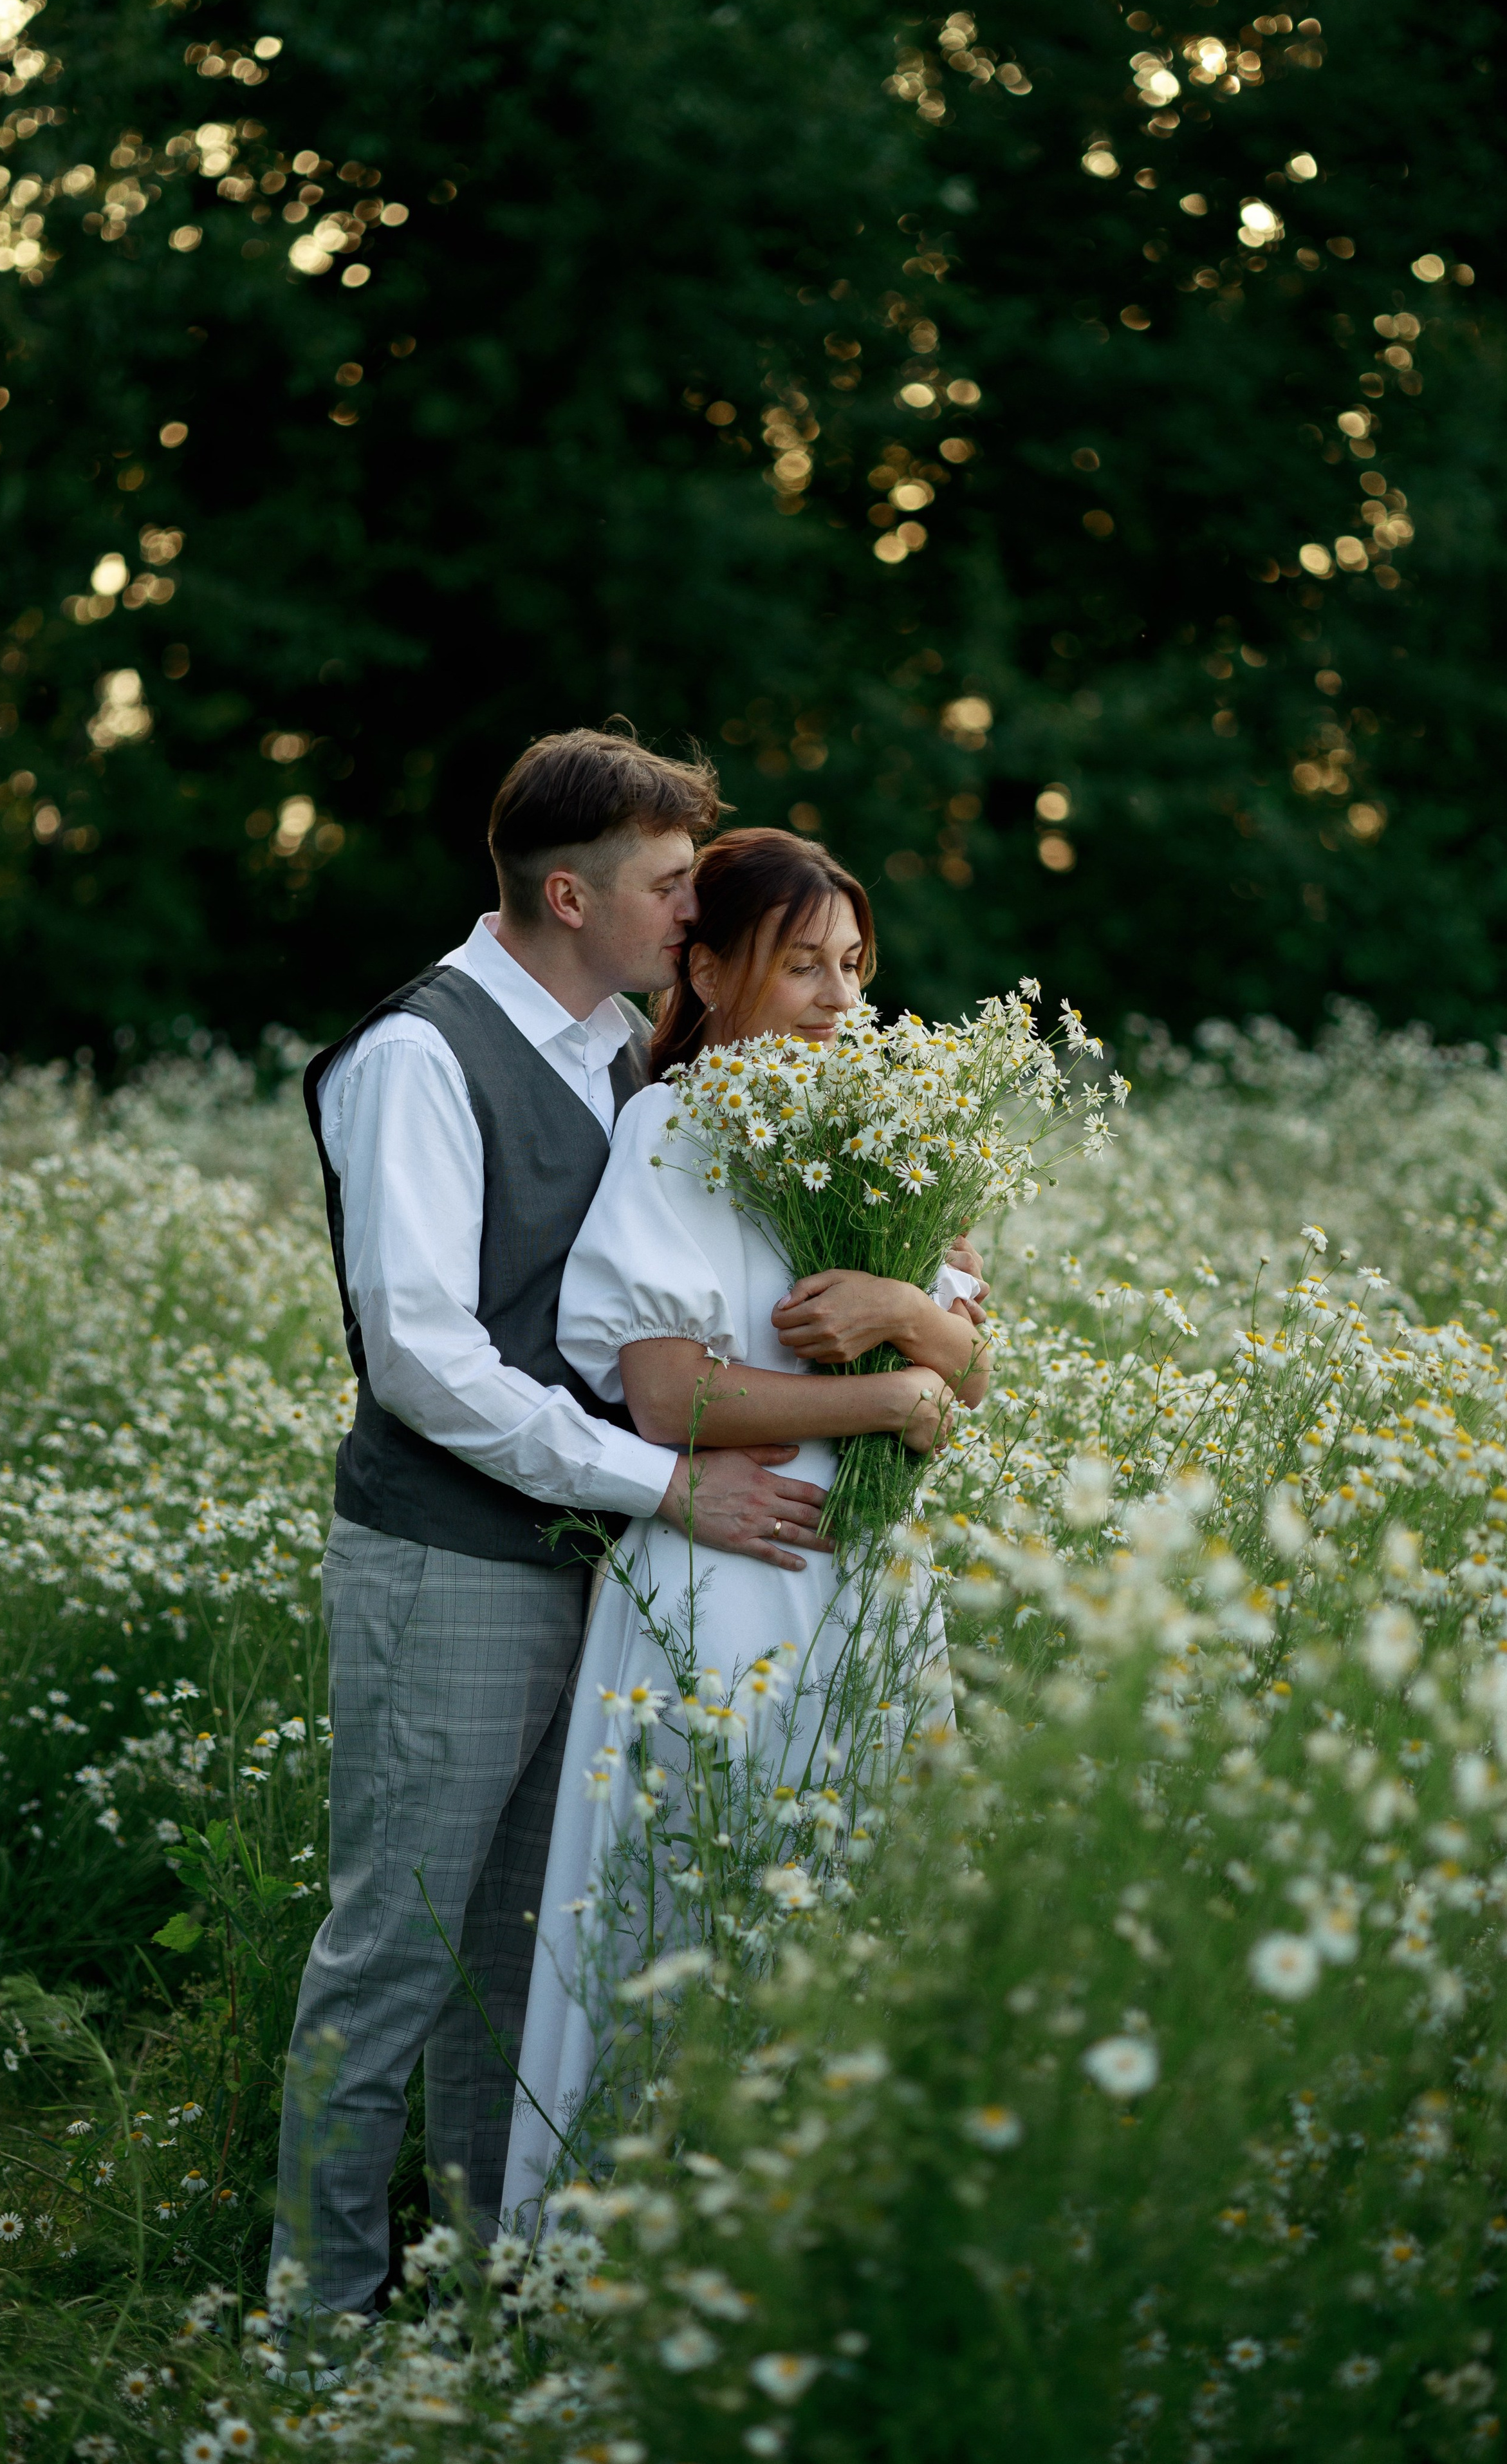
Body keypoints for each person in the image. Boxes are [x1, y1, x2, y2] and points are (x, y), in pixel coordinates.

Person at [271, 736, 836, 2319]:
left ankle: (479, 2279)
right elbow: (423, 1356)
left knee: (515, 1956)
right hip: (446, 1553)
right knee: (396, 1942)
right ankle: (312, 2311)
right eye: (669, 882)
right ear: (570, 889)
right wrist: (660, 1482)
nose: (691, 906)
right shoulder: (419, 1056)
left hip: (579, 1557)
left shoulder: (608, 1052)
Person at [501, 828, 988, 2221]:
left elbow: (970, 1365)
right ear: (707, 973)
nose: (840, 998)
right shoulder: (674, 1127)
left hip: (867, 1579)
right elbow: (667, 1396)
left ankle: (835, 2227)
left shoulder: (890, 1130)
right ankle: (634, 2233)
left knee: (863, 1888)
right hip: (729, 1564)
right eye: (799, 966)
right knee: (696, 1894)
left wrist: (905, 1322)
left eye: (852, 966)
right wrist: (892, 1389)